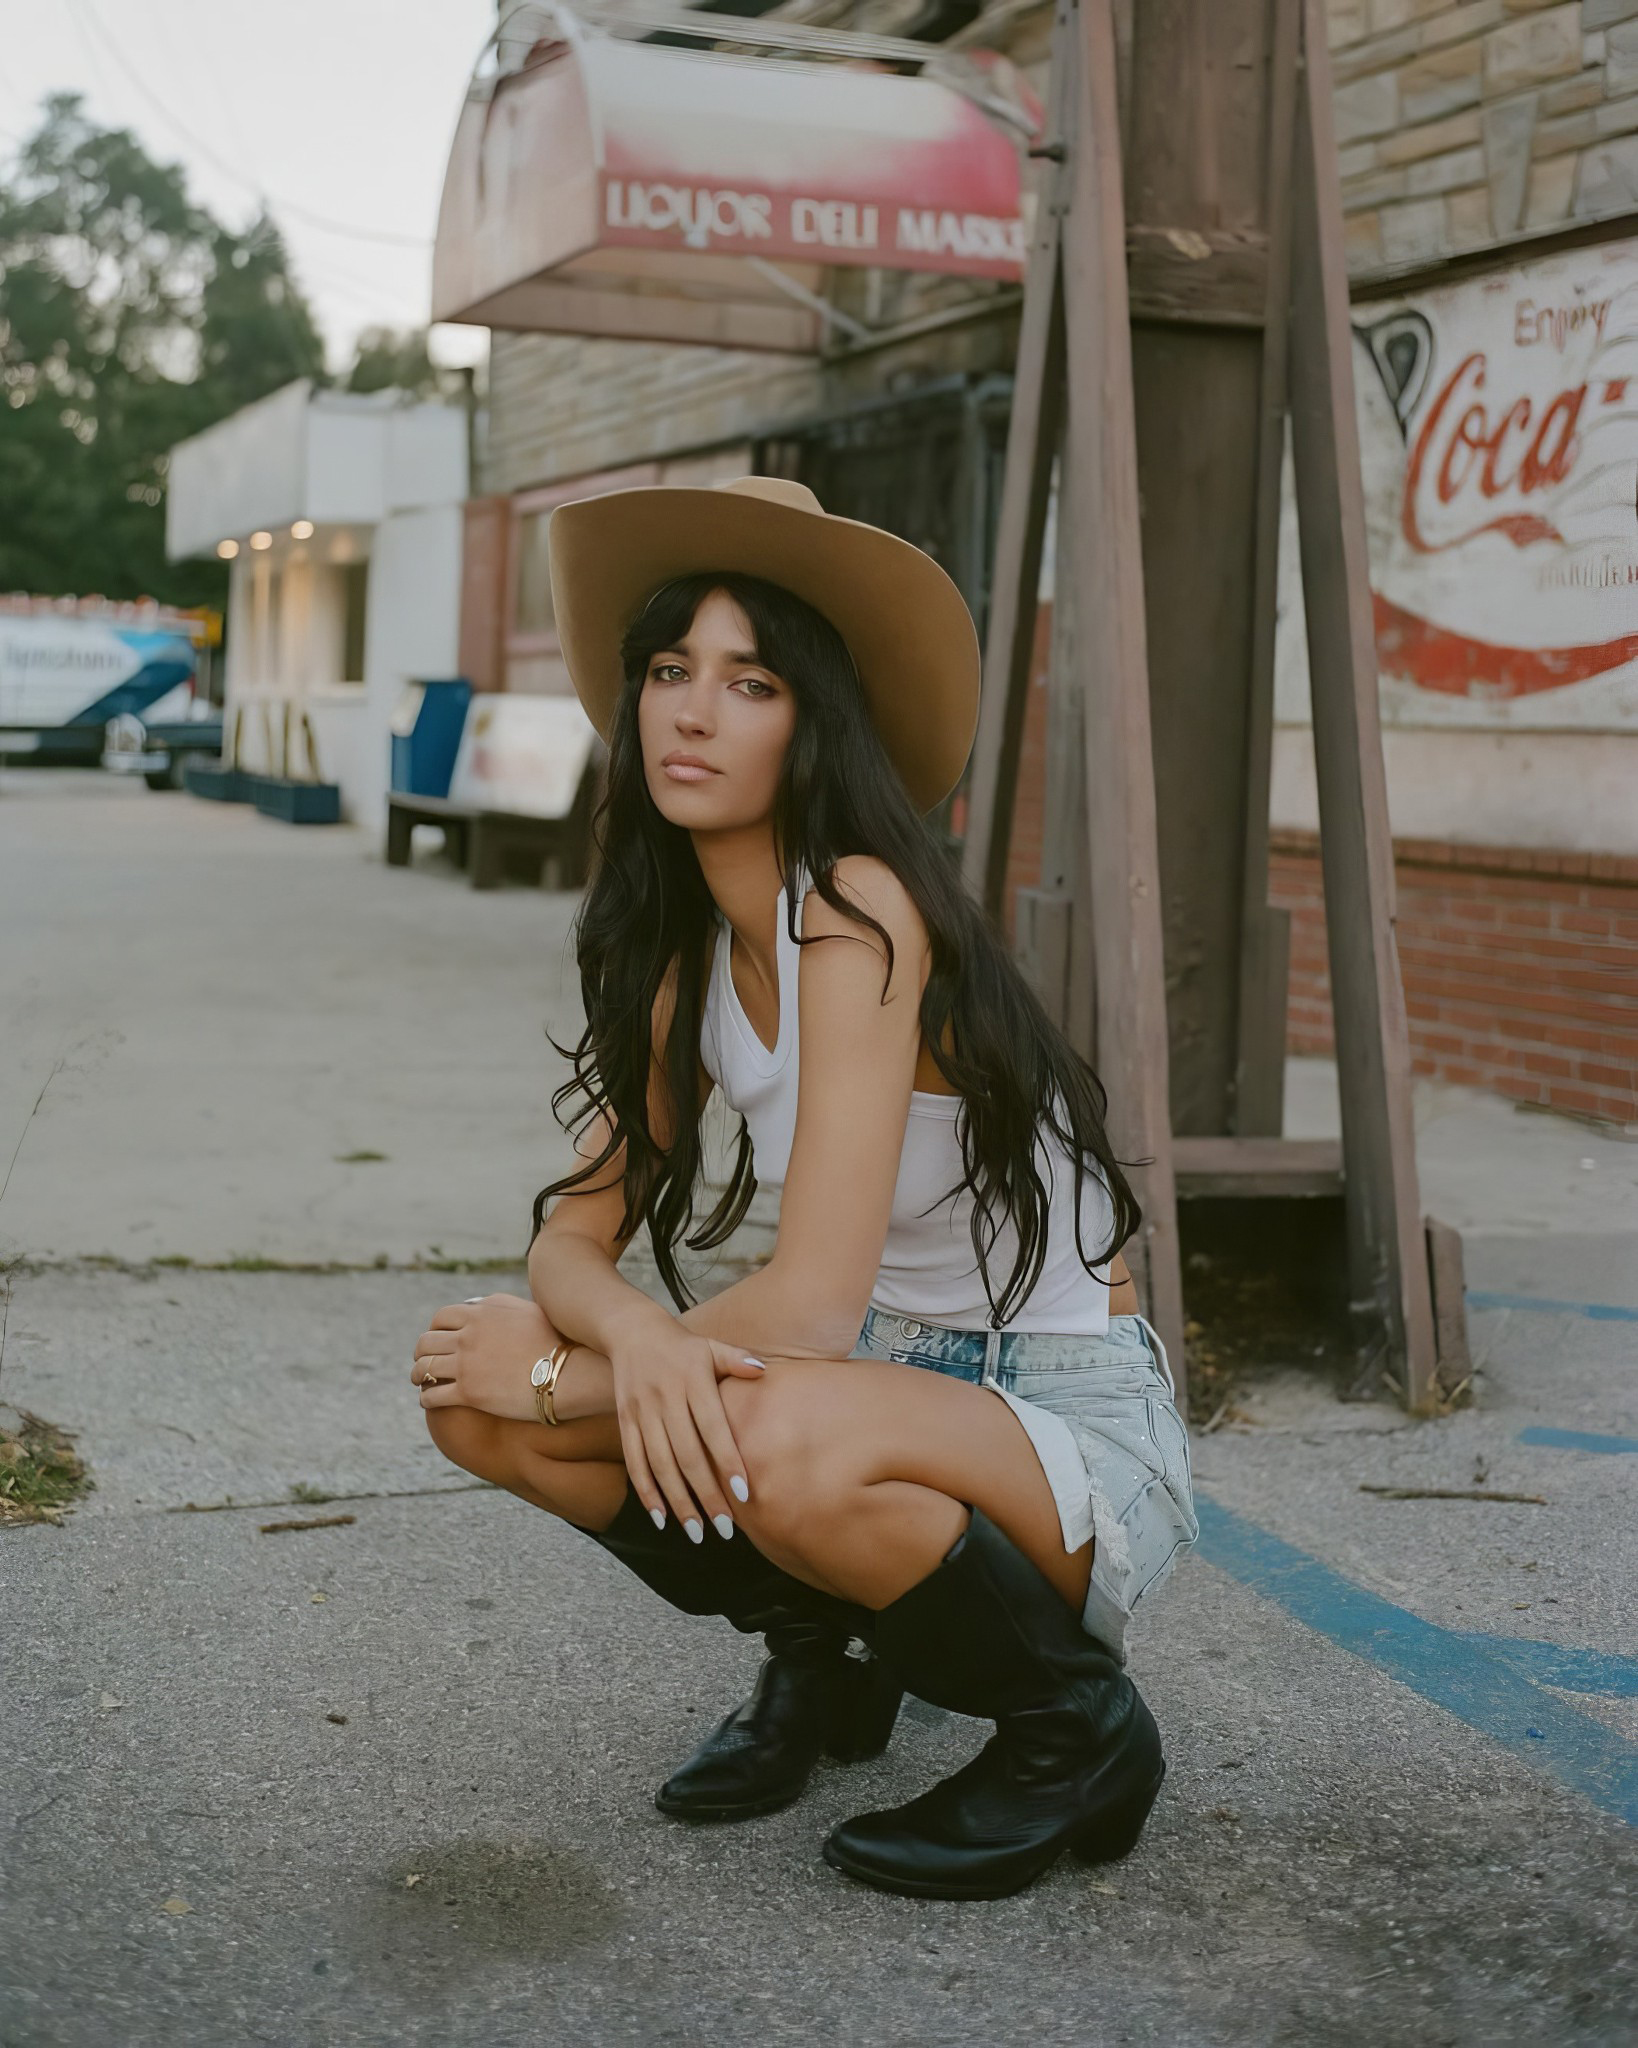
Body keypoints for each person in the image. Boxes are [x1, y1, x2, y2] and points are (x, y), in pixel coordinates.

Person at [412, 475, 1198, 1901]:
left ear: (811, 718)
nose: (691, 713)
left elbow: (817, 1304)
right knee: (481, 1399)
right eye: (668, 670)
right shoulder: (682, 954)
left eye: (749, 680)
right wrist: (636, 1344)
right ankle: (830, 1663)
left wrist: (586, 1384)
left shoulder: (855, 907)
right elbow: (571, 1236)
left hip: (1064, 1421)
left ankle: (1074, 1730)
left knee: (757, 1427)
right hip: (861, 1385)